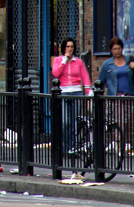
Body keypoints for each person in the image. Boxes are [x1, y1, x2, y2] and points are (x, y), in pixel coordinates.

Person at [51, 37, 92, 172]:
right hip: (63, 92)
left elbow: (85, 77)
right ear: (64, 48)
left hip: (76, 93)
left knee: (74, 122)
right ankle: (67, 147)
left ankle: (72, 149)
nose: (70, 49)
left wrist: (89, 91)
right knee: (65, 122)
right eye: (67, 46)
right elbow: (55, 73)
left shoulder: (78, 62)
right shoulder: (58, 60)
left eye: (72, 47)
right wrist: (64, 60)